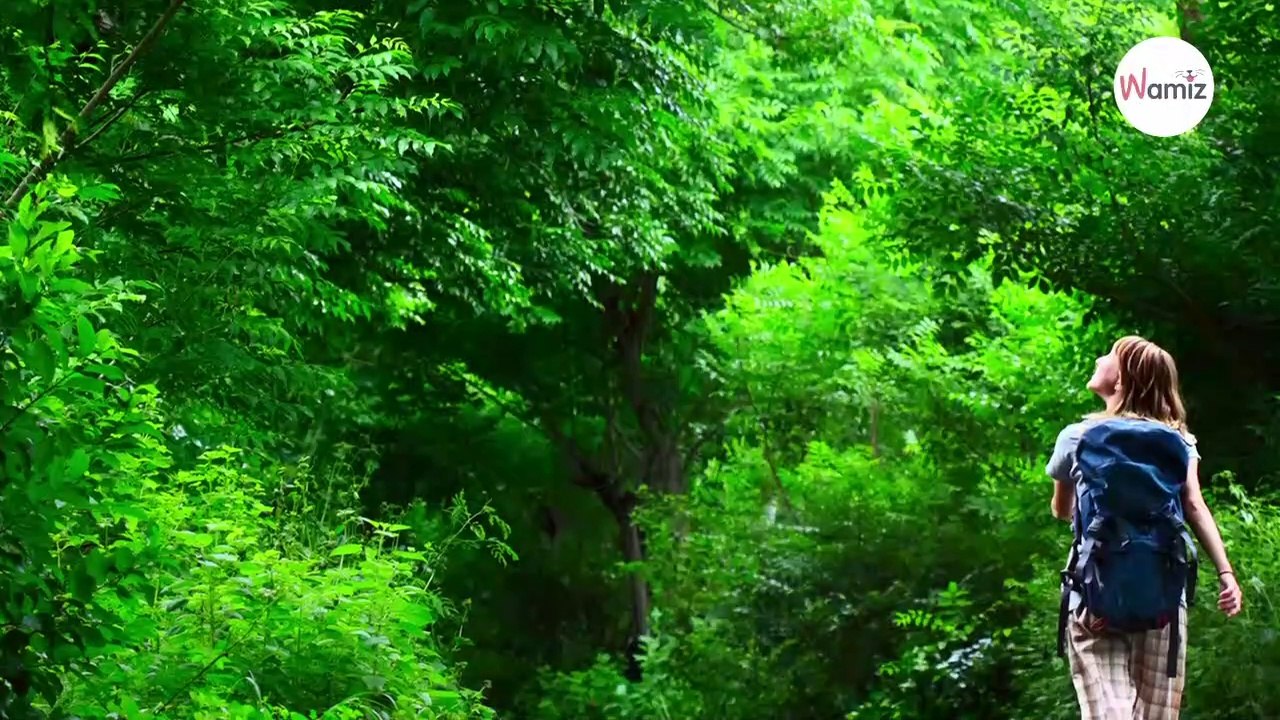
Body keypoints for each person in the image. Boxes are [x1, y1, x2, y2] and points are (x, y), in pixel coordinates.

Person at [1046, 335, 1243, 719]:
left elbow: (1060, 510)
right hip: (1162, 595)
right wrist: (1226, 572)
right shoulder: (1179, 441)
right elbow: (1194, 506)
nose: (1100, 357)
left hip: (1093, 593)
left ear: (1120, 381)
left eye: (1109, 356)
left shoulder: (1076, 437)